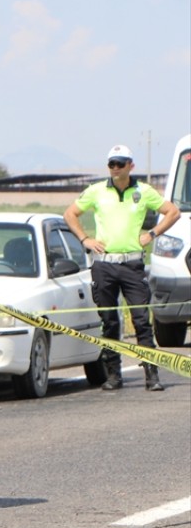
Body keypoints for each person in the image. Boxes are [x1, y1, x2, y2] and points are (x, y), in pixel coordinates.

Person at [64, 144, 181, 391]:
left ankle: (152, 374)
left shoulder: (143, 191)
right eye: (111, 164)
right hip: (104, 266)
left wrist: (152, 234)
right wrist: (86, 240)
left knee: (141, 321)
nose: (115, 168)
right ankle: (113, 375)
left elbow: (172, 212)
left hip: (132, 265)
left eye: (120, 163)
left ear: (131, 165)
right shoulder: (96, 191)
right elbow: (70, 214)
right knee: (109, 321)